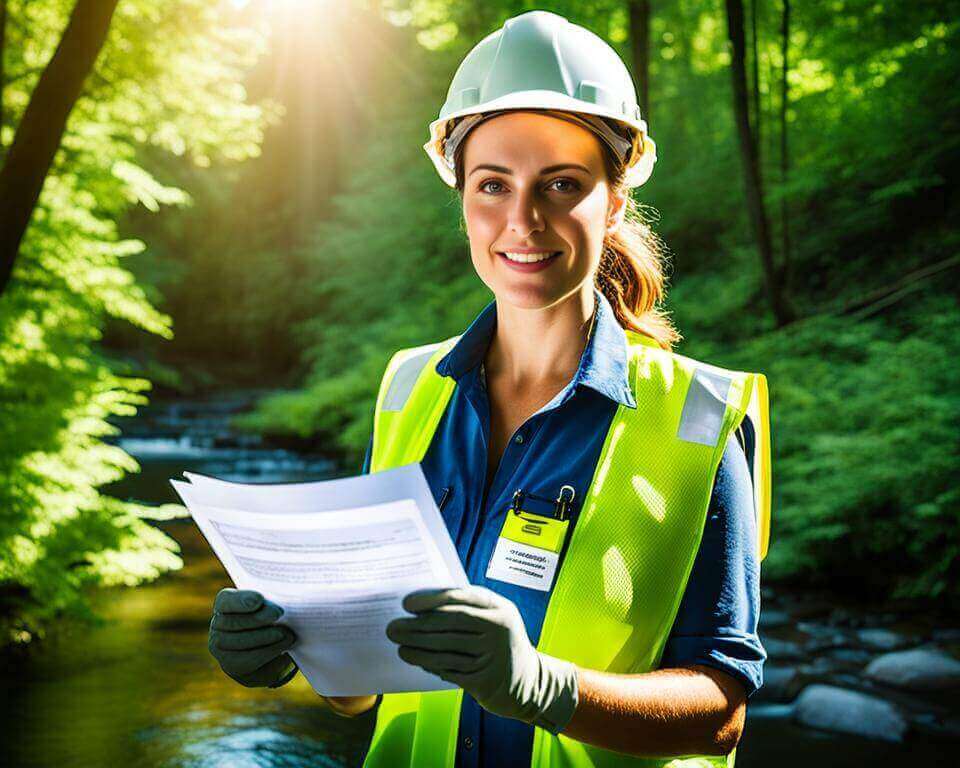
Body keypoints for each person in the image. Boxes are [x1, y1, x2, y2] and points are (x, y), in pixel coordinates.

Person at [206, 10, 772, 768]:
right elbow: (366, 686)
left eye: (561, 185)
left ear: (614, 200)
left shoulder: (699, 417)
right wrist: (297, 646)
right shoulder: (410, 389)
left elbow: (720, 710)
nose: (522, 221)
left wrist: (544, 688)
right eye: (492, 185)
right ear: (463, 199)